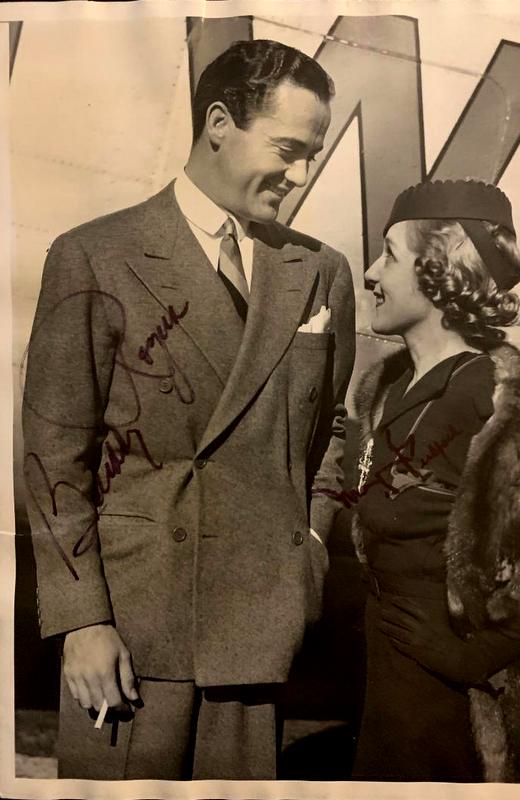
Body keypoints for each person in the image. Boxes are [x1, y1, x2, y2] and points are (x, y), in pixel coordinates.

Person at [22, 39, 355, 780]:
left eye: (312, 156)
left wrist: (308, 542)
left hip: (258, 627)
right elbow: (54, 456)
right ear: (218, 124)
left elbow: (331, 427)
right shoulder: (95, 254)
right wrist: (82, 619)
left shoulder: (320, 271)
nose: (300, 176)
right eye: (288, 150)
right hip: (133, 630)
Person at [349, 179, 520, 782]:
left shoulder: (487, 396)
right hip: (389, 677)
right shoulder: (389, 387)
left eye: (389, 255)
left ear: (438, 272)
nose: (370, 272)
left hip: (453, 705)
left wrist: (468, 658)